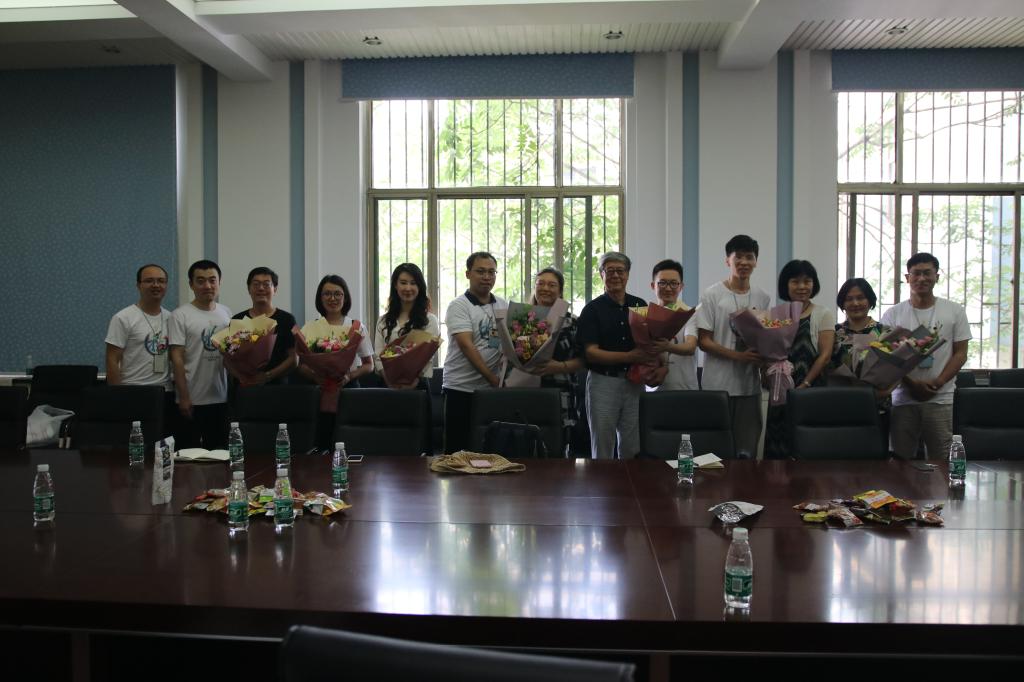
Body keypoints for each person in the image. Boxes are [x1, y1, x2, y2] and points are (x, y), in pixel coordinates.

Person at [881, 253, 970, 460]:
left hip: (941, 397)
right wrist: (911, 384)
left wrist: (938, 382)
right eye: (916, 273)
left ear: (937, 276)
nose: (921, 278)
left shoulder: (954, 311)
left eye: (927, 273)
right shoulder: (893, 314)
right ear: (907, 277)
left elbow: (961, 353)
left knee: (941, 460)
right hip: (903, 397)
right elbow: (887, 357)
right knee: (900, 459)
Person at [696, 235, 771, 458]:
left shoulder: (762, 297)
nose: (744, 262)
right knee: (714, 452)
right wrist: (738, 357)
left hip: (749, 386)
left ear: (756, 262)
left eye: (750, 257)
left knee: (747, 449)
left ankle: (745, 483)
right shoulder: (712, 294)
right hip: (717, 384)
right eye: (738, 257)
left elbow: (764, 337)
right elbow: (704, 341)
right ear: (727, 260)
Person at [577, 252, 654, 459]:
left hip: (635, 382)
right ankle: (602, 482)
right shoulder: (592, 310)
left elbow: (648, 342)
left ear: (628, 274)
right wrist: (629, 357)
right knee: (602, 445)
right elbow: (591, 353)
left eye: (620, 271)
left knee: (632, 446)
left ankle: (629, 482)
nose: (616, 275)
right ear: (601, 274)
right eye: (610, 271)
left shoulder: (639, 305)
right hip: (603, 382)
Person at [763, 259, 835, 459]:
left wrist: (805, 384)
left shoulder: (823, 314)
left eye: (807, 281)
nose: (802, 286)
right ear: (786, 285)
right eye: (795, 281)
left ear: (814, 284)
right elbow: (769, 352)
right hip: (780, 391)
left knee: (810, 448)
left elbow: (825, 356)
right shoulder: (776, 315)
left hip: (811, 390)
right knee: (779, 447)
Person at [441, 251, 507, 454]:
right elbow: (467, 346)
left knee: (489, 450)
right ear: (468, 274)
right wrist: (493, 378)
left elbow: (506, 344)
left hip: (491, 391)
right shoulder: (459, 305)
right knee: (458, 452)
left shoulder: (502, 305)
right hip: (460, 388)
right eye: (480, 271)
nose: (487, 277)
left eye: (491, 272)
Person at [298, 274, 375, 448]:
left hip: (349, 390)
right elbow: (300, 365)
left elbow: (369, 365)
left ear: (345, 297)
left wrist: (349, 376)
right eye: (327, 294)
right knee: (322, 442)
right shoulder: (310, 327)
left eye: (337, 294)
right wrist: (315, 377)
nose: (332, 298)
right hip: (319, 391)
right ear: (320, 298)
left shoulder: (356, 327)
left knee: (351, 442)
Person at [105, 264, 176, 437]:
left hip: (164, 394)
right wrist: (117, 396)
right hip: (132, 392)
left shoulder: (171, 318)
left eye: (161, 281)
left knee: (162, 446)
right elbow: (112, 358)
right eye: (149, 281)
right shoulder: (123, 318)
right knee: (134, 446)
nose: (156, 285)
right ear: (138, 285)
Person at [168, 260, 232, 449]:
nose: (207, 286)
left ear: (219, 282)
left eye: (212, 280)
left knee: (220, 453)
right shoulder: (180, 315)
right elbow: (176, 357)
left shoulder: (226, 313)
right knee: (189, 455)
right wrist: (184, 396)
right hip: (191, 399)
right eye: (201, 281)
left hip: (221, 397)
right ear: (191, 284)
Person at [528, 267, 585, 456]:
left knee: (558, 449)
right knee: (527, 446)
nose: (545, 288)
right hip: (526, 390)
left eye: (552, 285)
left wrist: (559, 367)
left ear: (560, 291)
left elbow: (584, 360)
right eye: (541, 284)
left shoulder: (572, 322)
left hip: (561, 393)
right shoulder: (522, 319)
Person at [831, 277, 892, 450]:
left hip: (876, 405)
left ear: (870, 301)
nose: (855, 303)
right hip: (841, 405)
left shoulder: (884, 332)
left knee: (875, 458)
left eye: (861, 297)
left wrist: (887, 390)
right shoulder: (834, 332)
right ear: (842, 303)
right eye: (849, 299)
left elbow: (898, 368)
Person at [373, 263, 440, 390]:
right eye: (403, 283)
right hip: (387, 386)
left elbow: (427, 357)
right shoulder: (383, 321)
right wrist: (388, 381)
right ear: (395, 285)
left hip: (417, 386)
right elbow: (377, 355)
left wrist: (414, 381)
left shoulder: (429, 320)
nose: (408, 288)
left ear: (419, 287)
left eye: (413, 283)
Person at [230, 266, 297, 385]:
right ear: (249, 289)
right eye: (256, 284)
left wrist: (268, 376)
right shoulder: (238, 319)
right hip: (244, 387)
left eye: (266, 284)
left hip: (277, 387)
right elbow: (228, 359)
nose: (261, 288)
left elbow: (294, 358)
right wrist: (241, 377)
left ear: (275, 289)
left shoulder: (287, 319)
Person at [648, 259, 699, 391]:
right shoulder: (644, 315)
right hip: (653, 390)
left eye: (673, 283)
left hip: (685, 389)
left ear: (681, 286)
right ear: (653, 285)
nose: (668, 288)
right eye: (662, 283)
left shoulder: (689, 313)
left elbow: (690, 347)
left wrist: (667, 346)